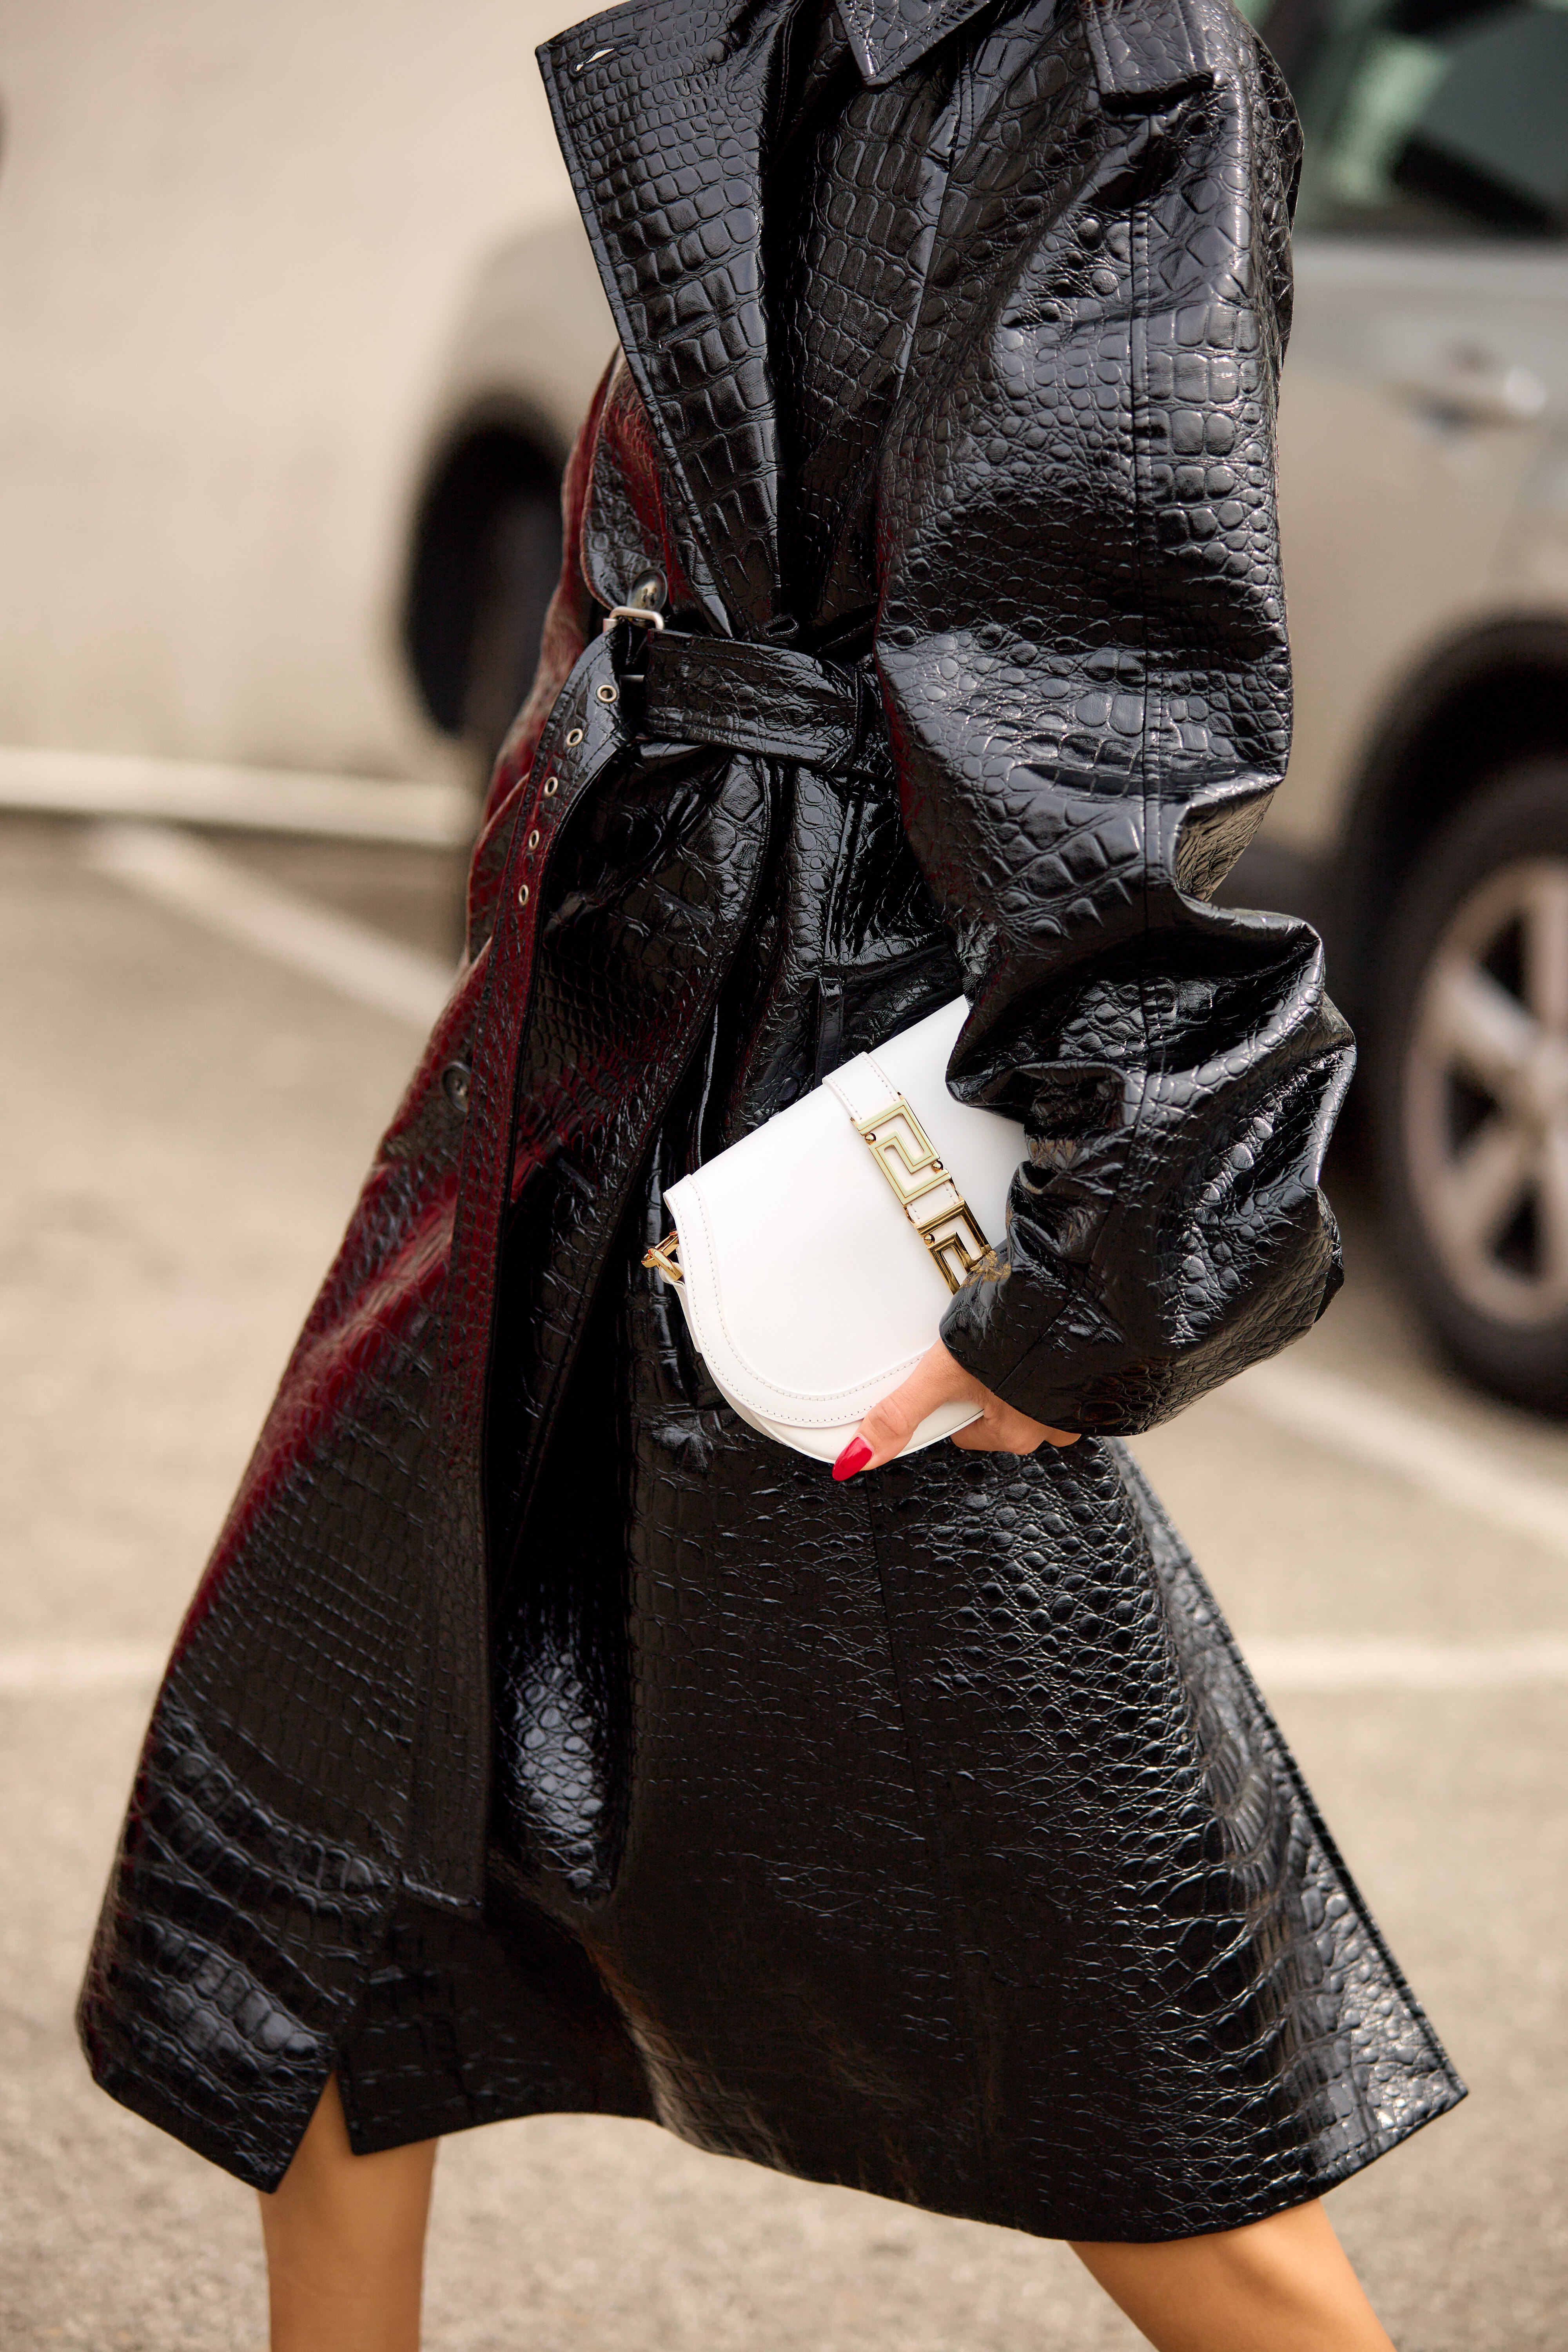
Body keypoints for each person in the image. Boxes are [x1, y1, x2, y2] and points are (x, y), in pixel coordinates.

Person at [79, 0, 1465, 2345]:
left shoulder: (1110, 53)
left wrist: (1105, 1267)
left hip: (817, 1088)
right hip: (606, 1029)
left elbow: (1101, 684)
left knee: (1120, 2045)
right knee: (325, 1857)